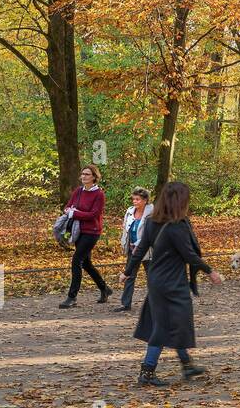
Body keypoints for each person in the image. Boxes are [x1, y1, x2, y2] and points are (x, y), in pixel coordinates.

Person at [119, 181, 222, 386]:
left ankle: (187, 366)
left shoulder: (151, 221)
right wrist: (210, 271)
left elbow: (139, 250)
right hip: (172, 283)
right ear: (179, 200)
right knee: (165, 325)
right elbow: (189, 255)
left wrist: (127, 272)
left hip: (157, 280)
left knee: (174, 322)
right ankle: (147, 371)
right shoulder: (177, 225)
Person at [59, 164, 111, 309]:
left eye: (87, 174)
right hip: (78, 230)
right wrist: (68, 210)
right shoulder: (78, 191)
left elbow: (93, 214)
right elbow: (68, 207)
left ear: (94, 177)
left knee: (76, 260)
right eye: (83, 174)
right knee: (86, 263)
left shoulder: (99, 194)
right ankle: (104, 288)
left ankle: (72, 297)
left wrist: (74, 213)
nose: (84, 176)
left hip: (92, 231)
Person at [116, 187, 151, 312]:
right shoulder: (130, 211)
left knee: (152, 276)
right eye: (134, 199)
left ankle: (158, 302)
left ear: (145, 200)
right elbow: (126, 229)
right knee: (129, 275)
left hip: (148, 250)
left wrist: (141, 243)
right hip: (132, 249)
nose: (135, 202)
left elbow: (153, 232)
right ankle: (125, 304)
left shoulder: (152, 212)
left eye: (138, 199)